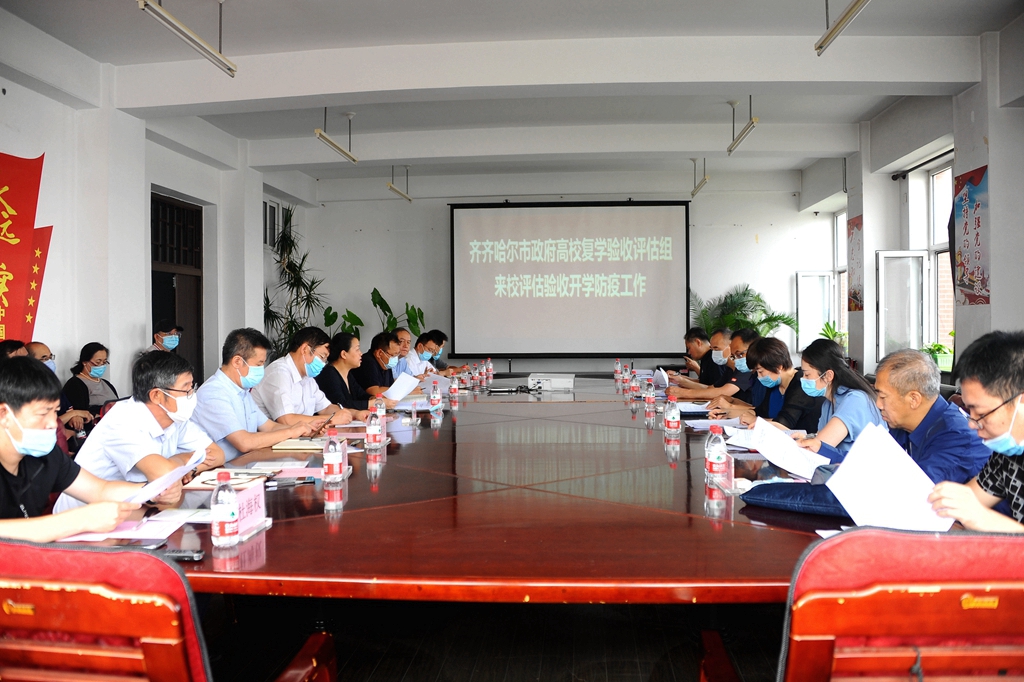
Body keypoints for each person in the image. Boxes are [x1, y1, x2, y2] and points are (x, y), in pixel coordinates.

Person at [742, 346, 989, 518]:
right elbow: (871, 463)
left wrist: (761, 494)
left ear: (913, 399)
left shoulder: (956, 437)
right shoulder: (905, 424)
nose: (877, 404)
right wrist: (826, 452)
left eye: (882, 396)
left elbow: (906, 499)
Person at [0, 357, 166, 543]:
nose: (52, 423)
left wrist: (155, 491)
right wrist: (78, 520)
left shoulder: (46, 456)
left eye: (55, 412)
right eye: (42, 413)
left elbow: (100, 489)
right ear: (4, 414)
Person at [54, 351, 222, 513]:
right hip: (84, 517)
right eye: (186, 390)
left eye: (192, 387)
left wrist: (189, 469)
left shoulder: (175, 417)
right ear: (156, 395)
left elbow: (217, 454)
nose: (192, 395)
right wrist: (184, 459)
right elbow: (165, 477)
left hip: (135, 508)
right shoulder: (123, 421)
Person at [929, 331, 1024, 532]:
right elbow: (959, 506)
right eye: (969, 411)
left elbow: (975, 514)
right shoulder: (1007, 452)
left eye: (980, 413)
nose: (972, 424)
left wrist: (983, 518)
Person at [193, 328, 321, 462]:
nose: (261, 370)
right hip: (220, 470)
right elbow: (244, 442)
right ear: (237, 361)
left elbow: (269, 427)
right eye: (258, 364)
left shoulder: (242, 390)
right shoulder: (213, 393)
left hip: (244, 463)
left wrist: (303, 428)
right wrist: (291, 432)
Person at [250, 326, 365, 425]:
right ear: (305, 349)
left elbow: (326, 408)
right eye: (322, 357)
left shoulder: (307, 378)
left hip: (298, 438)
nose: (323, 363)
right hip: (272, 441)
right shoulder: (279, 373)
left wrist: (355, 413)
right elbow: (286, 420)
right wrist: (330, 419)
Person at [795, 338, 885, 460]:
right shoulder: (828, 404)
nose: (803, 379)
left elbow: (818, 448)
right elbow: (819, 441)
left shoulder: (855, 400)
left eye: (807, 374)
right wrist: (807, 439)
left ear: (828, 375)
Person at [713, 337, 824, 434]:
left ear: (778, 366)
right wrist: (727, 413)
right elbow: (759, 412)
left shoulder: (801, 384)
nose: (759, 376)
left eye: (760, 371)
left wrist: (755, 421)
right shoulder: (775, 385)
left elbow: (785, 423)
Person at [669, 328, 760, 403]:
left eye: (716, 348)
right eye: (712, 349)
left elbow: (723, 391)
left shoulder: (746, 368)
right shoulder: (731, 369)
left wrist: (684, 393)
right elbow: (711, 388)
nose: (713, 353)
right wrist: (681, 382)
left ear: (729, 347)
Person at [27, 341, 92, 441]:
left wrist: (75, 416)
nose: (50, 362)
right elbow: (44, 425)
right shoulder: (29, 390)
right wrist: (74, 414)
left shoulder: (53, 384)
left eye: (50, 357)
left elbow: (68, 409)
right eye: (44, 358)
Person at [316, 333, 398, 411]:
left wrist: (374, 398)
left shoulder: (348, 374)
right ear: (344, 354)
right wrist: (373, 403)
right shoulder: (328, 374)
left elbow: (361, 395)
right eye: (357, 349)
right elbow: (341, 404)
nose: (361, 353)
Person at [63, 342, 118, 415]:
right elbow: (81, 413)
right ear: (85, 362)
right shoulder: (75, 384)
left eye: (104, 362)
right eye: (98, 362)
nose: (101, 366)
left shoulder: (106, 383)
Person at [352, 331, 402, 397]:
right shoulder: (367, 362)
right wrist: (401, 390)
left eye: (397, 354)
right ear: (379, 353)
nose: (395, 358)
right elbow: (374, 391)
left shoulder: (385, 364)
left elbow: (390, 387)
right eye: (393, 355)